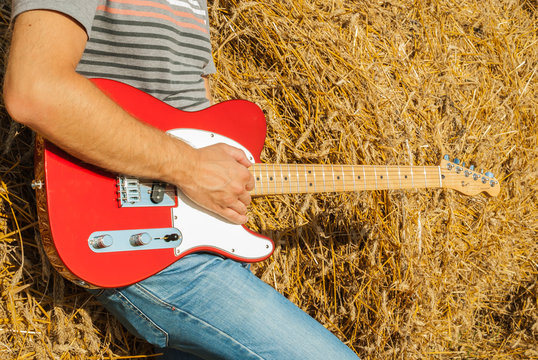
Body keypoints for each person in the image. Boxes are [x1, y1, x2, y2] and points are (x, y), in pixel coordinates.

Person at [3, 1, 360, 358]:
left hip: (198, 235)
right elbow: (36, 89)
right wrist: (190, 168)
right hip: (128, 230)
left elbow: (199, 114)